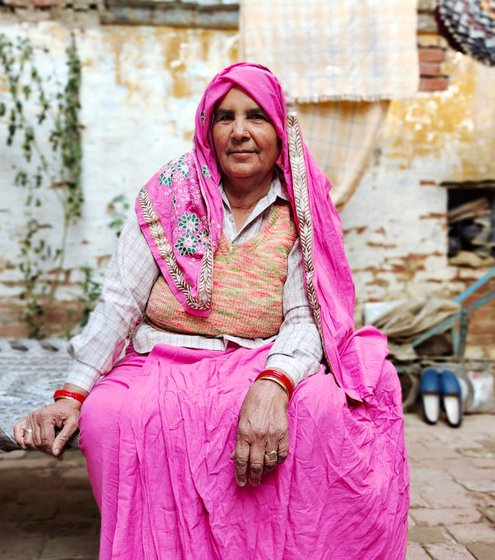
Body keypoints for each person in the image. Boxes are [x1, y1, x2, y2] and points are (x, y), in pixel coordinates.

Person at [14, 63, 409, 559]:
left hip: (261, 358)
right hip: (162, 359)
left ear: (281, 130)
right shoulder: (168, 195)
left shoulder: (304, 205)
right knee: (109, 416)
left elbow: (308, 316)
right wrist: (72, 392)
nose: (240, 132)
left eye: (256, 117)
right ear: (208, 129)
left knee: (325, 410)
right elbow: (119, 300)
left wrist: (274, 383)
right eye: (225, 117)